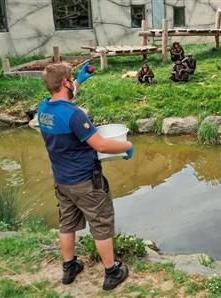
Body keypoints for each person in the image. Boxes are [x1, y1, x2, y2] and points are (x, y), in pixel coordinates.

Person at [38, 62, 133, 291]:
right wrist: (126, 145)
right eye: (71, 78)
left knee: (67, 224)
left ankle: (69, 267)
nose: (73, 82)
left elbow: (63, 97)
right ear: (64, 83)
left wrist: (82, 78)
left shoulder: (44, 109)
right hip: (86, 182)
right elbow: (99, 143)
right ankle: (112, 272)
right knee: (100, 224)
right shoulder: (74, 115)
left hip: (62, 181)